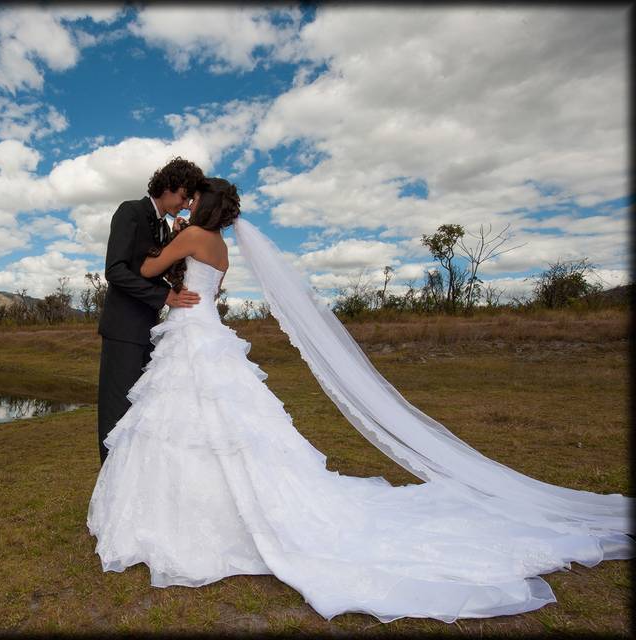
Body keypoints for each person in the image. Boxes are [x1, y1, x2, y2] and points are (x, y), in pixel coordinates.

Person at [87, 177, 633, 623]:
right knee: (220, 425)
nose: (189, 201)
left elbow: (147, 270)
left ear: (203, 204)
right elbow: (207, 284)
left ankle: (185, 519)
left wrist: (168, 244)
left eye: (195, 197)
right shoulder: (223, 247)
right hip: (204, 327)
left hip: (190, 332)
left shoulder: (188, 239)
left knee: (186, 423)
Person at [96, 157, 208, 465]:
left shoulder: (163, 226)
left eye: (189, 200)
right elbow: (115, 270)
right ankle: (109, 490)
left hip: (148, 331)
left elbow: (156, 268)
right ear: (170, 186)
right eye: (184, 197)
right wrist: (164, 297)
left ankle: (131, 483)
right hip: (122, 331)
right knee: (116, 413)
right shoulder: (130, 212)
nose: (185, 205)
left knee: (141, 411)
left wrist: (176, 239)